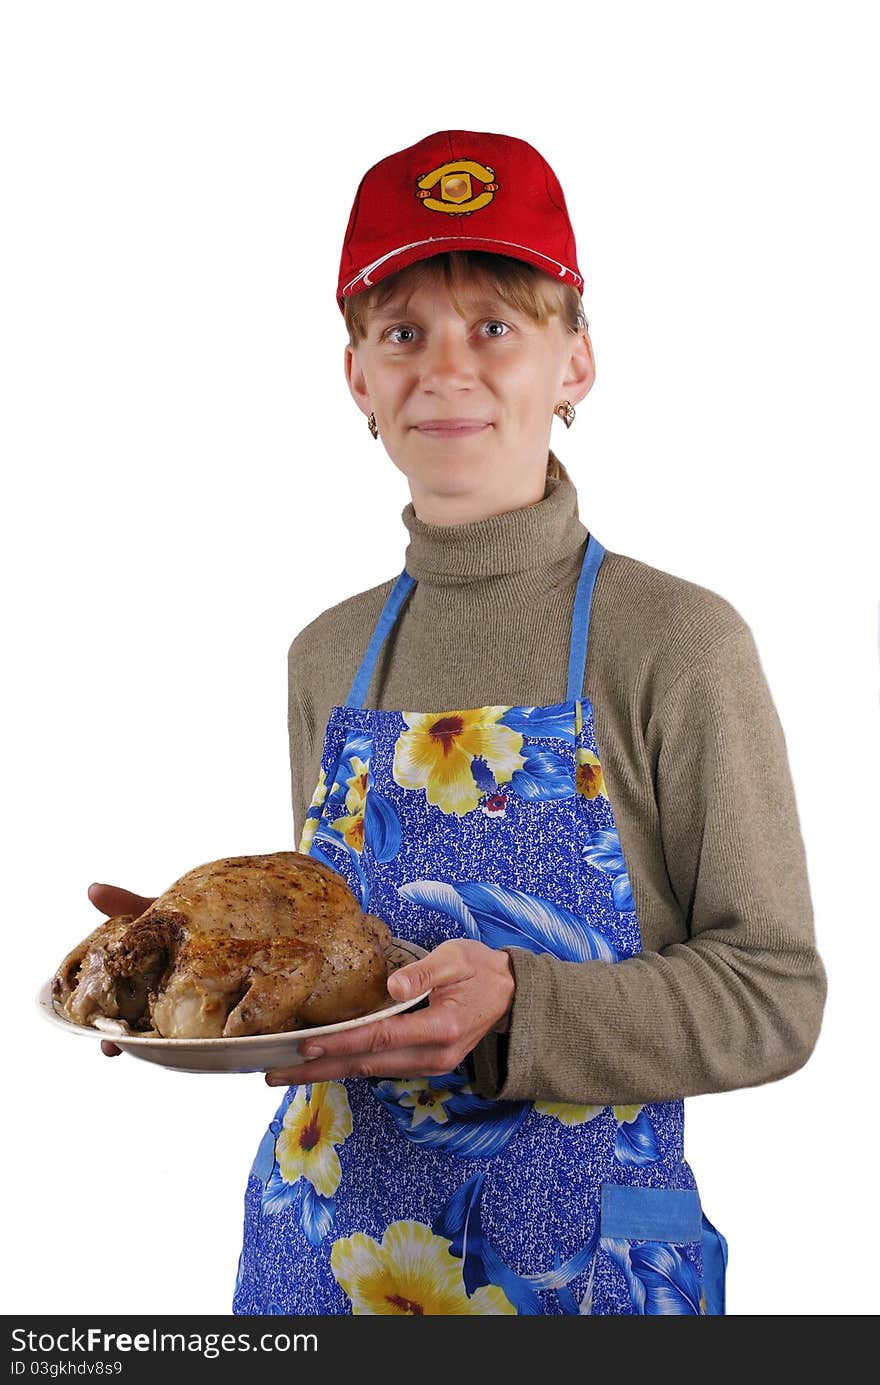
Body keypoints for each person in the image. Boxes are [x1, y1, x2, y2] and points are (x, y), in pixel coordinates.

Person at [93, 128, 827, 1316]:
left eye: (494, 324)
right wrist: (205, 965)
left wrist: (523, 1010)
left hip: (577, 1267)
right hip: (319, 1259)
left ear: (574, 362)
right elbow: (355, 976)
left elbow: (774, 990)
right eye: (402, 332)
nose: (447, 368)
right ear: (357, 378)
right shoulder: (325, 655)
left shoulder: (678, 641)